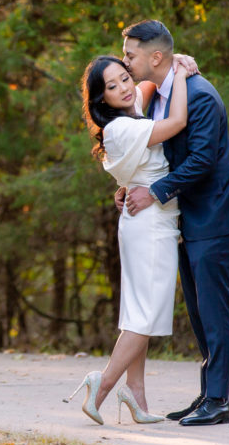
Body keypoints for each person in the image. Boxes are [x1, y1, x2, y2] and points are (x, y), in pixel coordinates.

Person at [119, 19, 229, 426]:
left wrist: (154, 192)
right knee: (197, 310)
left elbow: (201, 160)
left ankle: (219, 401)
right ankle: (207, 395)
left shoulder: (201, 96)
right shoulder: (160, 93)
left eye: (130, 55)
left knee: (213, 309)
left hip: (217, 212)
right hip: (187, 216)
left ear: (154, 57)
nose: (125, 63)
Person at [66, 55, 191, 425]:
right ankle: (101, 385)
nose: (123, 88)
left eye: (124, 79)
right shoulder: (120, 128)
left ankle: (137, 399)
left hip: (145, 219)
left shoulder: (130, 106)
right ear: (100, 98)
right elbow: (178, 121)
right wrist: (182, 74)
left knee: (139, 313)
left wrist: (173, 59)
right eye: (112, 86)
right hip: (150, 224)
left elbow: (147, 84)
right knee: (146, 316)